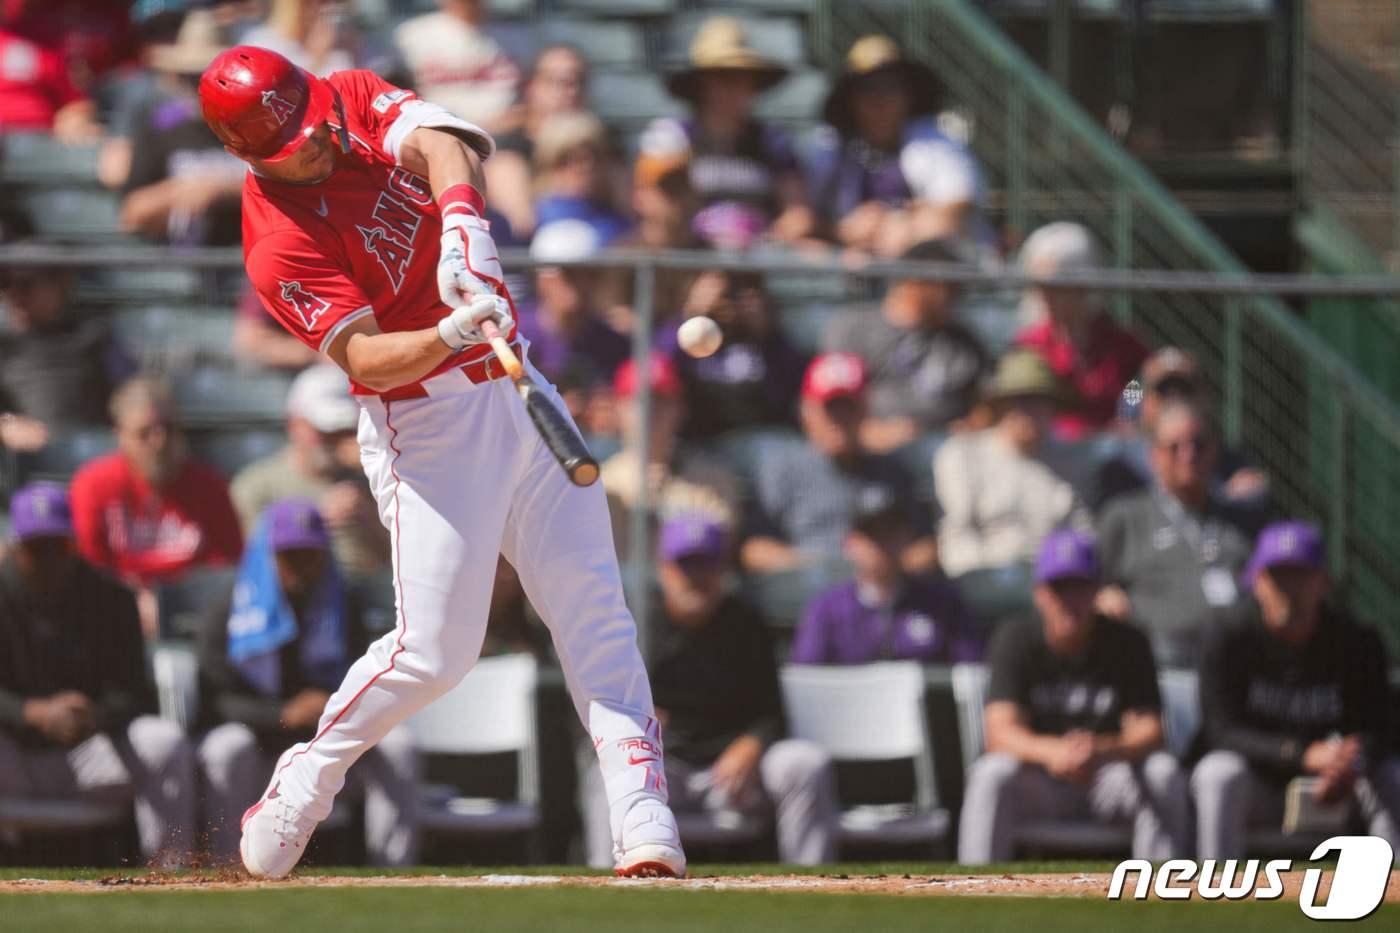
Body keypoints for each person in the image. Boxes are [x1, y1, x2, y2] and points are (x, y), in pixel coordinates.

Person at [198, 46, 684, 879]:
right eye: (297, 143)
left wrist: (462, 224)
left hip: (515, 381)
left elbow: (443, 140)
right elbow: (365, 359)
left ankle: (642, 813)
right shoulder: (275, 242)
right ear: (249, 155)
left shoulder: (341, 96)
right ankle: (305, 777)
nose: (320, 142)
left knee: (594, 612)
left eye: (317, 124)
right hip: (425, 424)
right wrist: (450, 331)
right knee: (437, 651)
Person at [584, 515, 838, 867]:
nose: (695, 578)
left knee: (804, 764)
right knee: (604, 773)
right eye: (685, 565)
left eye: (705, 565)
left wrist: (752, 744)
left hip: (733, 776)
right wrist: (638, 725)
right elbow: (603, 704)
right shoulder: (639, 625)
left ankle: (812, 882)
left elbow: (773, 713)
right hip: (663, 771)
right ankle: (604, 884)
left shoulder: (746, 624)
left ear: (723, 570)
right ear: (663, 569)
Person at [196, 499, 418, 864]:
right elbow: (213, 700)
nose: (301, 566)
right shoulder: (231, 609)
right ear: (268, 555)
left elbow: (371, 678)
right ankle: (227, 866)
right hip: (257, 738)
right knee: (226, 748)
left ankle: (392, 868)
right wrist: (283, 712)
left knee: (399, 746)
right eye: (289, 555)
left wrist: (329, 706)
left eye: (310, 554)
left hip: (326, 738)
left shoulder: (343, 603)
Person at [957, 530, 1190, 864]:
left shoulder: (1128, 642)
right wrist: (1054, 752)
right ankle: (974, 890)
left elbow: (1150, 732)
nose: (1069, 600)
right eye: (1058, 588)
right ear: (1040, 594)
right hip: (1041, 780)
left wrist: (1100, 750)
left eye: (1079, 587)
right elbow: (999, 733)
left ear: (1097, 590)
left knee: (1163, 772)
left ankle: (1160, 892)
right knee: (990, 773)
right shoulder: (1016, 638)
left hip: (1108, 778)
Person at [0, 483, 196, 867]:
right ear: (14, 549)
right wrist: (31, 712)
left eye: (58, 546)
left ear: (74, 544)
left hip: (92, 748)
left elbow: (133, 690)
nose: (48, 559)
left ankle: (171, 872)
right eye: (35, 549)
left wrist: (92, 714)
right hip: (13, 755)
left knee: (165, 741)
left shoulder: (111, 597)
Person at [1191, 522, 1400, 858]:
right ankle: (1217, 892)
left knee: (1392, 776)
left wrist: (1351, 759)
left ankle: (1393, 895)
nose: (1290, 589)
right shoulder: (1229, 637)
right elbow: (1221, 732)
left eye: (1301, 576)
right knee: (1217, 774)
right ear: (1258, 583)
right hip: (1259, 785)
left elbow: (1383, 724)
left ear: (1322, 583)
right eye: (1279, 576)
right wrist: (1301, 754)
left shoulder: (1357, 642)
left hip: (1339, 787)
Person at [742, 352, 934, 575]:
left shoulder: (892, 469)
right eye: (830, 409)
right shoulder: (782, 469)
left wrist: (887, 567)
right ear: (807, 411)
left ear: (865, 411)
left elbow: (925, 547)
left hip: (879, 593)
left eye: (848, 409)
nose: (839, 421)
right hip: (808, 591)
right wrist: (814, 568)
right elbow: (753, 550)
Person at [1095, 400, 1253, 667]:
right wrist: (1102, 596)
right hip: (1158, 662)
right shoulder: (1125, 517)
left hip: (1238, 660)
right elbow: (1091, 586)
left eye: (1199, 445)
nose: (1188, 455)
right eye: (1174, 447)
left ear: (1215, 450)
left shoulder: (1242, 519)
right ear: (1153, 455)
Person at [807, 36, 983, 257]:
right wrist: (841, 231)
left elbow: (954, 209)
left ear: (909, 96)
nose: (879, 101)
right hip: (852, 265)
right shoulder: (831, 146)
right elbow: (805, 219)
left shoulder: (935, 141)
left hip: (932, 266)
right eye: (867, 90)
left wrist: (901, 223)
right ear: (850, 100)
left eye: (890, 88)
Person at [647, 17, 813, 250]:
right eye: (723, 77)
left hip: (757, 259)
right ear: (701, 84)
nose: (736, 88)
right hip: (691, 258)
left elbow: (798, 213)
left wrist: (759, 240)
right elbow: (655, 207)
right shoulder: (670, 137)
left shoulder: (774, 141)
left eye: (744, 78)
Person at [70, 377, 244, 593]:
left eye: (168, 429)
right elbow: (89, 568)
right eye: (144, 433)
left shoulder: (210, 488)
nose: (159, 442)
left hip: (192, 610)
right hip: (117, 606)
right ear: (120, 435)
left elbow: (224, 571)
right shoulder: (94, 486)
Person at [824, 238, 989, 452]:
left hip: (949, 450)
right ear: (913, 280)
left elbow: (985, 402)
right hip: (870, 453)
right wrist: (862, 432)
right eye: (946, 286)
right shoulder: (854, 328)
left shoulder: (964, 339)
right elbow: (829, 402)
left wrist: (974, 425)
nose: (954, 296)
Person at [934, 350, 1089, 579]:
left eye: (1040, 401)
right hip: (983, 579)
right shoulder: (962, 455)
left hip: (1055, 583)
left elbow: (1082, 533)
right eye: (1021, 402)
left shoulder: (1071, 460)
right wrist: (986, 581)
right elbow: (958, 536)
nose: (1031, 412)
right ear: (1000, 406)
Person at [792, 485, 981, 665]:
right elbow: (804, 678)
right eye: (872, 535)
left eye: (891, 533)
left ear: (907, 536)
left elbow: (971, 672)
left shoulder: (943, 603)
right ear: (849, 542)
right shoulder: (826, 609)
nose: (882, 545)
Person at [231, 364, 390, 578]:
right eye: (323, 430)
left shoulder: (371, 479)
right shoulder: (256, 486)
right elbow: (257, 565)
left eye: (343, 430)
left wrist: (371, 516)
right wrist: (314, 518)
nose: (334, 440)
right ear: (294, 425)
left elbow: (398, 560)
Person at [0, 209, 134, 450]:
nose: (13, 295)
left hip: (91, 461)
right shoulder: (4, 343)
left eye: (25, 284)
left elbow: (131, 397)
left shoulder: (95, 335)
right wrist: (5, 426)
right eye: (5, 284)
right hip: (24, 471)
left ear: (61, 283)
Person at [1092, 347, 1269, 518]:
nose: (1173, 400)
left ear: (1202, 398)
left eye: (1183, 390)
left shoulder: (1215, 450)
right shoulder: (1120, 455)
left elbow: (1252, 489)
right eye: (1163, 392)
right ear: (1145, 402)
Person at [119, 10, 245, 246]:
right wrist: (179, 192)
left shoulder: (258, 129)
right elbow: (131, 213)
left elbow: (291, 191)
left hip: (249, 264)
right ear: (176, 78)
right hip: (181, 262)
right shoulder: (160, 128)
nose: (199, 87)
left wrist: (221, 190)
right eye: (191, 77)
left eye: (214, 79)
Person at [1013, 222, 1149, 439]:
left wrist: (1126, 416)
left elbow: (1138, 383)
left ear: (1083, 285)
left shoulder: (1120, 343)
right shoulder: (1028, 345)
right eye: (1040, 287)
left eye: (1056, 287)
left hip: (1111, 451)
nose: (1045, 297)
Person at [600, 354, 740, 559]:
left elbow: (718, 555)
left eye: (662, 401)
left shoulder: (712, 479)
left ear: (681, 409)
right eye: (640, 401)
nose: (652, 412)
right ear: (618, 408)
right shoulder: (601, 484)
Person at [667, 268, 807, 441]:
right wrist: (692, 316)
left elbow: (790, 393)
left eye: (738, 291)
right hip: (699, 441)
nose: (728, 302)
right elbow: (660, 369)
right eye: (722, 294)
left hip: (760, 436)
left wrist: (766, 336)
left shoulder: (770, 343)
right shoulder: (678, 335)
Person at [514, 220, 629, 394]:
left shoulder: (614, 344)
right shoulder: (513, 334)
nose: (580, 284)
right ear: (541, 279)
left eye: (589, 274)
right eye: (568, 274)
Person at [486, 45, 589, 236]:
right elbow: (522, 226)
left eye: (579, 81)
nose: (572, 91)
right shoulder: (508, 152)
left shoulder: (604, 148)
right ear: (531, 87)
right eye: (560, 82)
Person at [393, 0, 521, 134]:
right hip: (437, 131)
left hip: (509, 134)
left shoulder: (521, 33)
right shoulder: (410, 35)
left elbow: (535, 95)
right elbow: (394, 95)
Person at [529, 111, 629, 248]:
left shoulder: (616, 218)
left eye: (592, 156)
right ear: (548, 163)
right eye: (567, 159)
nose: (584, 167)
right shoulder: (533, 221)